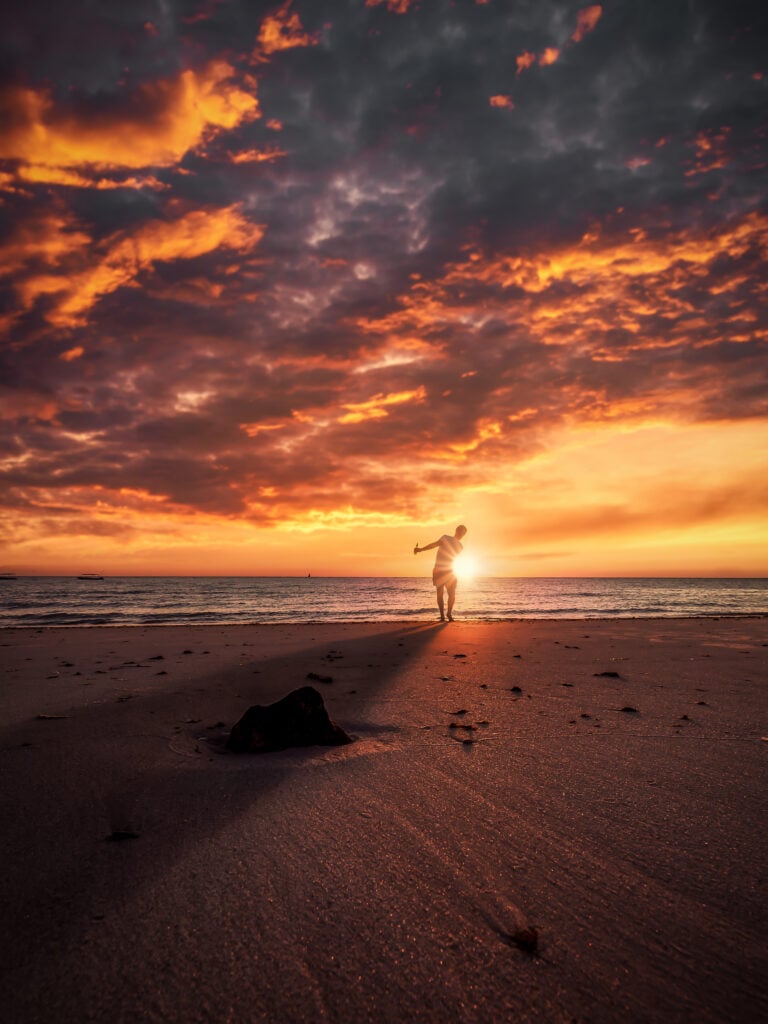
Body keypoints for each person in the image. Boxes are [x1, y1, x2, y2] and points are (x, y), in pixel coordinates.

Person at [414, 525, 467, 622]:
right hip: (438, 570)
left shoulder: (460, 546)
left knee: (452, 594)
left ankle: (449, 614)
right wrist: (421, 549)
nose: (462, 535)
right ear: (456, 530)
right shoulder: (446, 538)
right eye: (461, 532)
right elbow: (433, 545)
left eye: (463, 533)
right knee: (440, 593)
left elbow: (454, 557)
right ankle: (442, 616)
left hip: (450, 571)